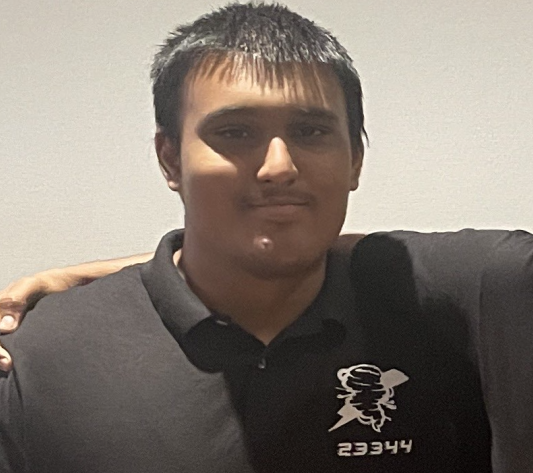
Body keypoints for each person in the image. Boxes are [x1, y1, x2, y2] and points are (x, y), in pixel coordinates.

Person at [1, 3, 532, 472]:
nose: (279, 166)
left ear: (355, 158)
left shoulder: (473, 303)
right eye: (235, 132)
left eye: (310, 131)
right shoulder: (42, 359)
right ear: (170, 158)